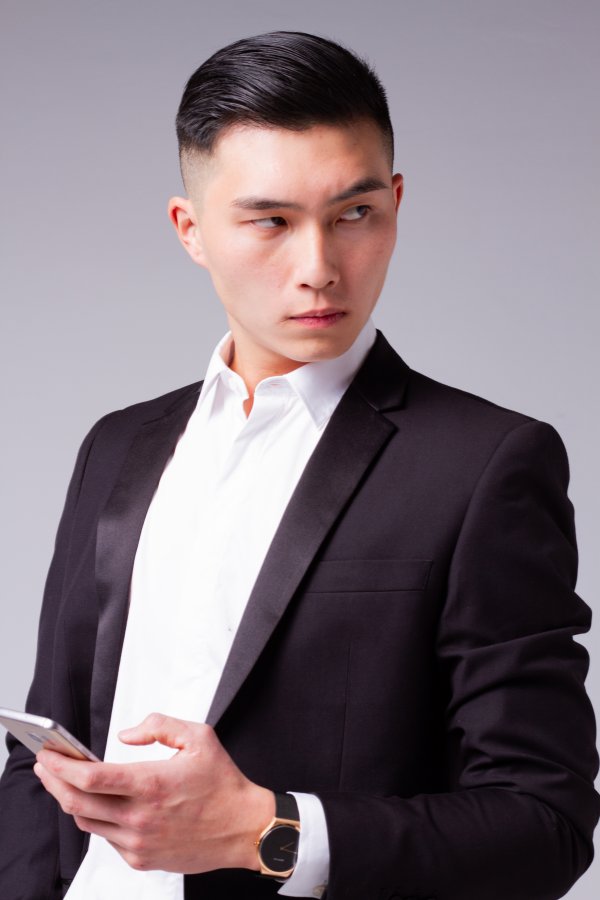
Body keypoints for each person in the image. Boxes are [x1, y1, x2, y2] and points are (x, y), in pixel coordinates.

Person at [0, 30, 598, 900]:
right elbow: (40, 759)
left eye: (354, 214)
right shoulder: (118, 447)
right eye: (270, 222)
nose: (319, 269)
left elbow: (544, 825)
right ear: (191, 230)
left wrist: (267, 832)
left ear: (396, 203)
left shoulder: (485, 466)